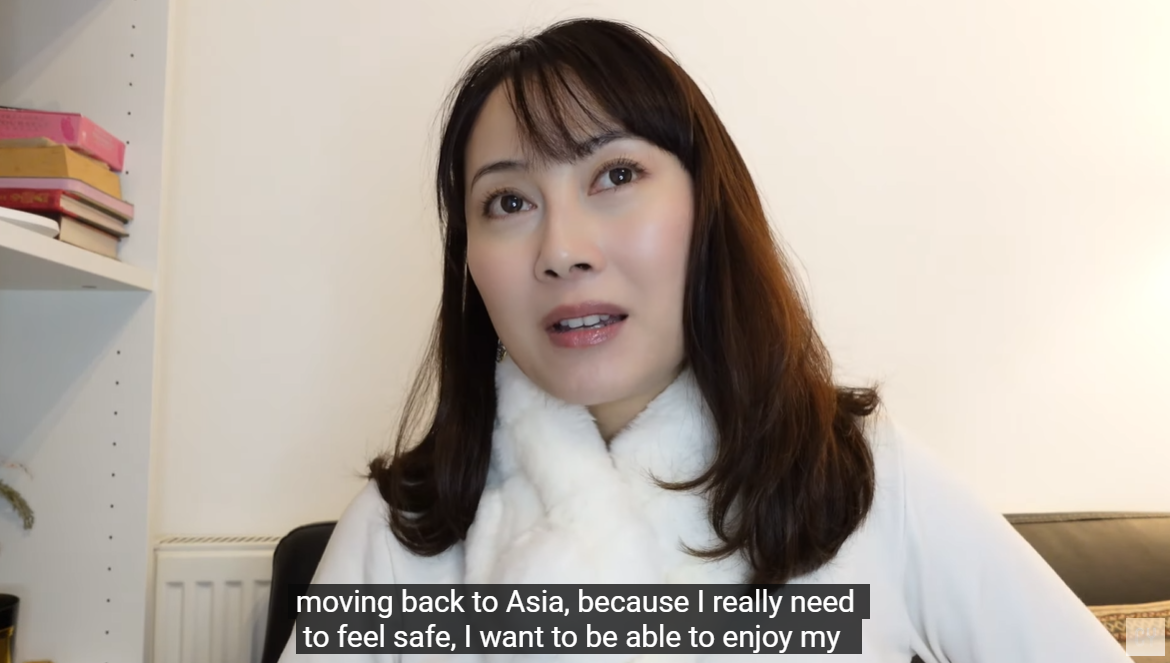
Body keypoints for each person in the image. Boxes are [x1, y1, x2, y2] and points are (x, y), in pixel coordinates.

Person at [279, 18, 1130, 662]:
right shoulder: (401, 530)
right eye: (509, 201)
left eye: (616, 174)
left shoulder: (859, 480)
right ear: (469, 261)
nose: (563, 248)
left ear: (707, 209)